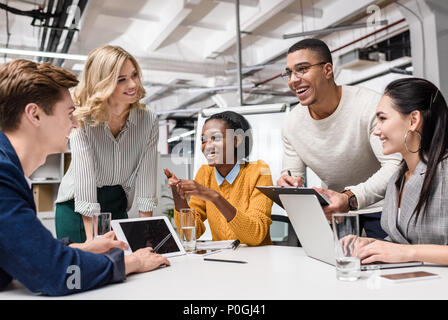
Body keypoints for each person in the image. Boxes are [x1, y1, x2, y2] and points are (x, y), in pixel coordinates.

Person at [0, 59, 169, 296]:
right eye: (70, 114)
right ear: (35, 115)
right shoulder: (3, 174)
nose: (76, 123)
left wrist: (83, 248)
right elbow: (55, 274)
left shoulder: (8, 169)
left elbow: (17, 248)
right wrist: (133, 263)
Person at [276, 38, 402, 238]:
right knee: (336, 266)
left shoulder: (369, 105)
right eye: (289, 72)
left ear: (327, 70)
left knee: (384, 267)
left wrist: (350, 197)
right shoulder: (292, 123)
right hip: (337, 210)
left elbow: (394, 166)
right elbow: (292, 174)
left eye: (302, 69)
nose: (293, 79)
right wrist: (288, 182)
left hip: (382, 207)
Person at [55, 45, 159, 242]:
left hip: (118, 203)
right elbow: (86, 188)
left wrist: (148, 237)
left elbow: (147, 181)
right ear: (102, 83)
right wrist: (95, 244)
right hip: (77, 209)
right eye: (121, 79)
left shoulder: (148, 120)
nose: (132, 84)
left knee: (129, 266)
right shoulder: (81, 119)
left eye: (134, 75)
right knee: (91, 267)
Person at [358, 78, 448, 265]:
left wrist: (407, 253)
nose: (376, 131)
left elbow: (408, 250)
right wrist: (372, 244)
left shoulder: (447, 170)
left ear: (413, 120)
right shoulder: (397, 179)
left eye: (383, 118)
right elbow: (404, 243)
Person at [164, 111, 273, 246]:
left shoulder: (259, 172)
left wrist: (214, 197)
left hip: (258, 260)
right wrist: (178, 196)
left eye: (215, 138)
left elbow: (255, 236)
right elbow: (191, 233)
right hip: (223, 259)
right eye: (203, 140)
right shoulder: (205, 173)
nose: (207, 145)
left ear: (236, 140)